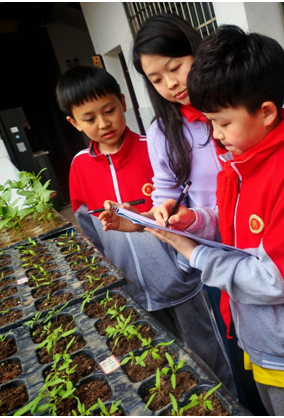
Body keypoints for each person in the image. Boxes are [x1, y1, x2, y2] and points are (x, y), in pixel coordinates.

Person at [114, 25, 284, 416]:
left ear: (266, 113)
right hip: (262, 338)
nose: (216, 136)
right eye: (210, 123)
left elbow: (279, 280)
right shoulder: (241, 161)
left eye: (222, 123)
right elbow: (231, 222)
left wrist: (197, 255)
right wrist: (193, 220)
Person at [55, 65, 235, 394]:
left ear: (123, 102)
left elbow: (180, 206)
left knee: (210, 354)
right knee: (163, 365)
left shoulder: (151, 146)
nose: (103, 123)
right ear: (74, 122)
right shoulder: (79, 167)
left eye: (109, 110)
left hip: (181, 284)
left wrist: (184, 265)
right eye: (90, 118)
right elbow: (89, 232)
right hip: (133, 292)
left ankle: (231, 402)